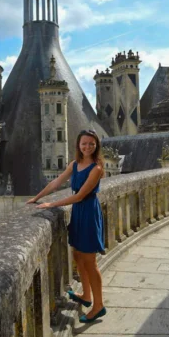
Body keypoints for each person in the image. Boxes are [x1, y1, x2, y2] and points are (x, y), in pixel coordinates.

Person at [27, 129, 106, 323]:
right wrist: (37, 198)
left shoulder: (96, 168)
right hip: (79, 212)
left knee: (90, 261)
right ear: (78, 145)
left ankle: (99, 306)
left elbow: (80, 196)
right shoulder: (75, 164)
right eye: (84, 143)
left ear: (96, 146)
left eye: (91, 144)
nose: (87, 147)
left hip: (87, 212)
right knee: (78, 256)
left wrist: (52, 204)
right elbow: (56, 182)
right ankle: (86, 296)